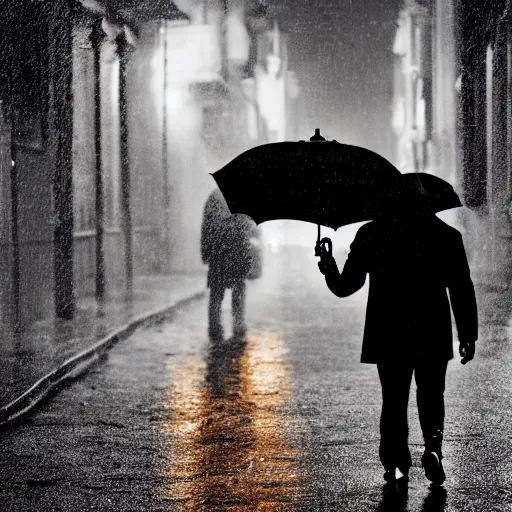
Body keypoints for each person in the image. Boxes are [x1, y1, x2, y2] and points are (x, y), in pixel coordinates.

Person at [318, 182, 478, 486]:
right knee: (431, 394)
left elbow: (346, 286)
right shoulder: (446, 236)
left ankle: (394, 460)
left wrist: (328, 265)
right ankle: (433, 448)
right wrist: (468, 334)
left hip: (389, 329)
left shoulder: (371, 234)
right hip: (432, 328)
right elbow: (460, 287)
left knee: (393, 399)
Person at [201, 188, 260, 342]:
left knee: (216, 292)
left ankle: (214, 327)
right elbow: (247, 228)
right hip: (236, 251)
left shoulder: (213, 197)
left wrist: (206, 252)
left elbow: (206, 227)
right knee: (238, 290)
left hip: (218, 252)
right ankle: (238, 324)